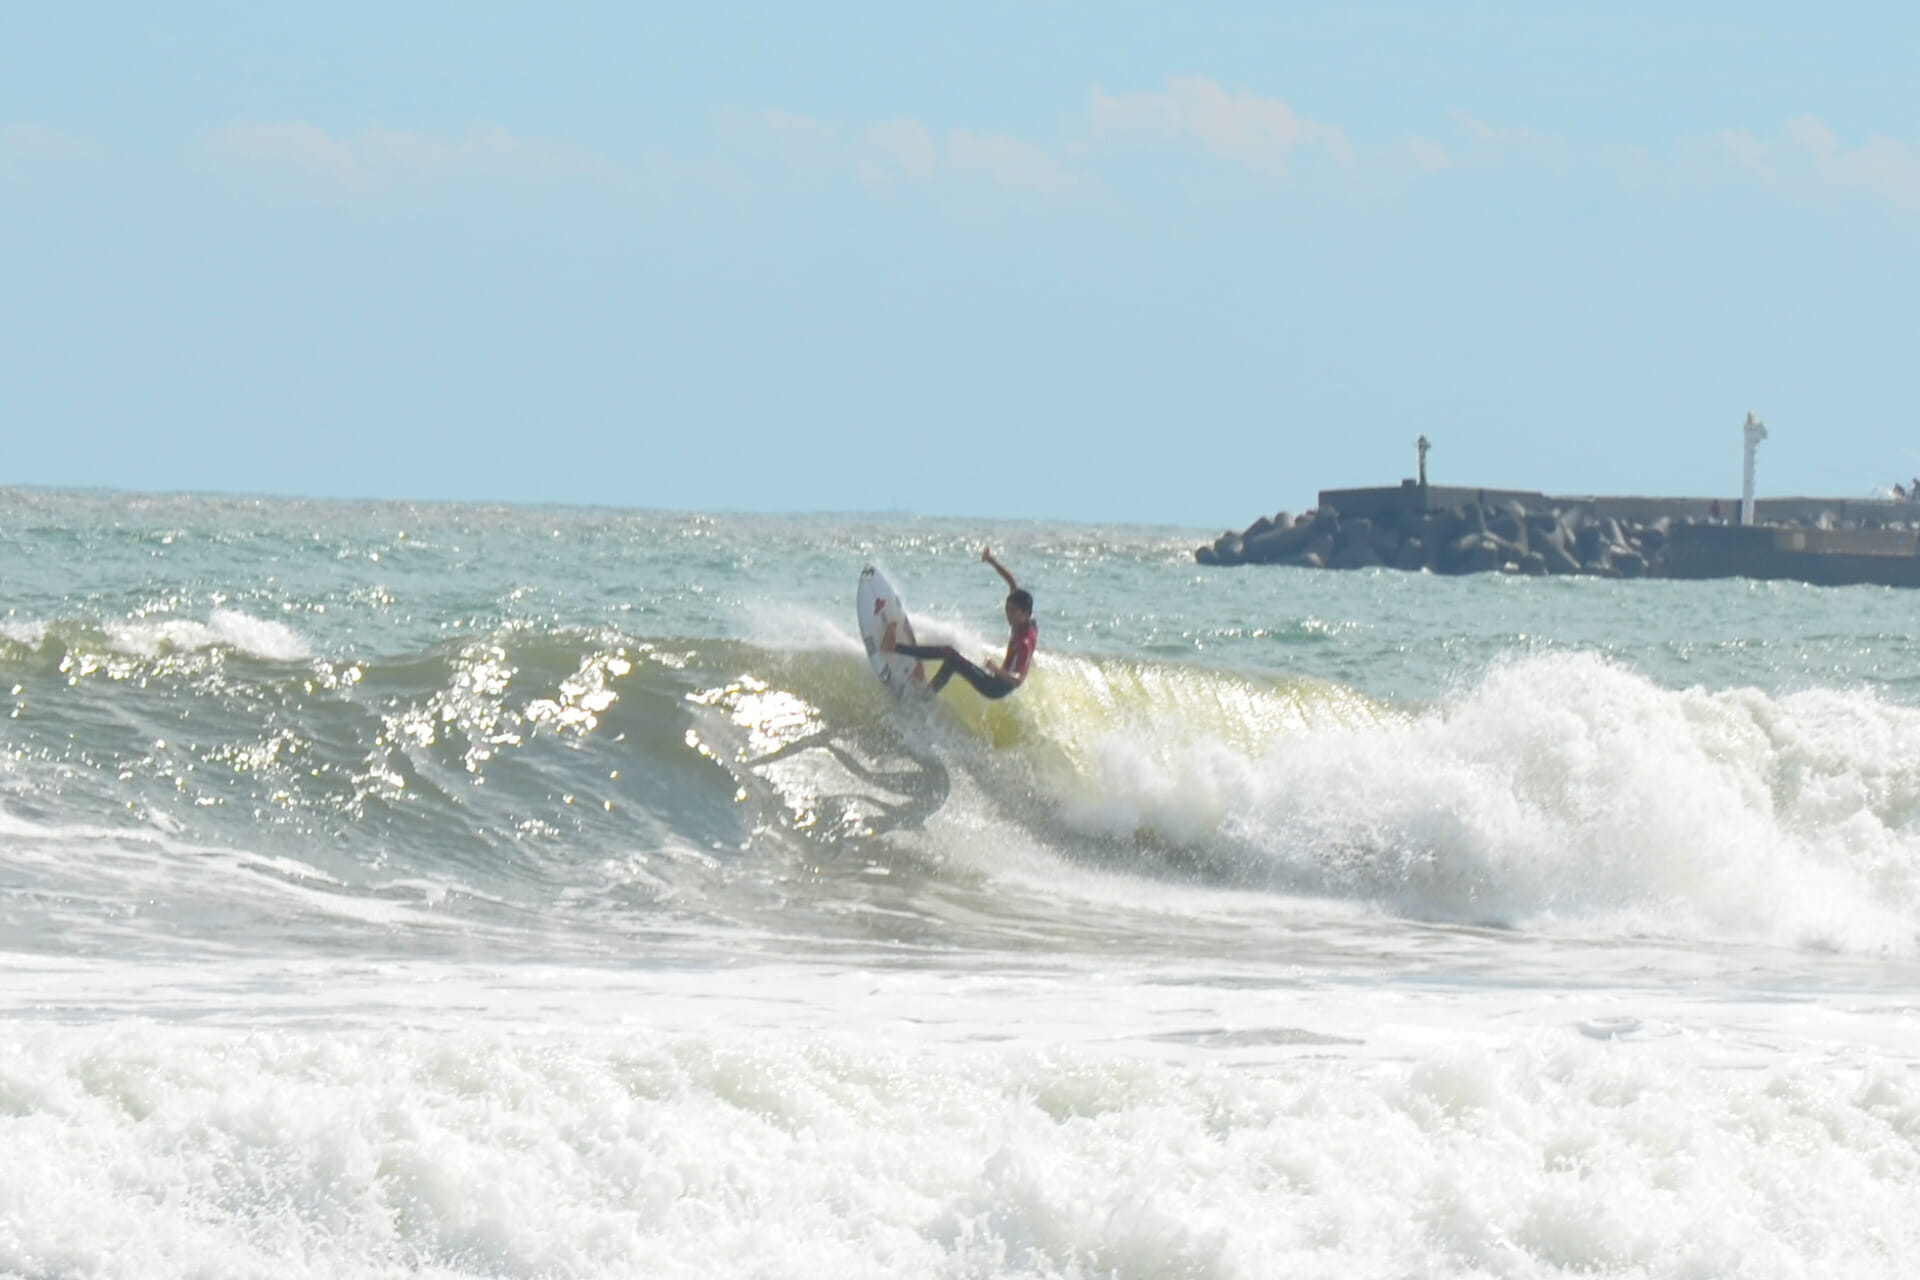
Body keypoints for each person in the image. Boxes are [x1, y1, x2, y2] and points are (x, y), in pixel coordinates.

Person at [883, 547, 1037, 700]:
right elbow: (1011, 582)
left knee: (948, 652)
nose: (1008, 615)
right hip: (997, 678)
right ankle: (925, 697)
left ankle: (893, 647)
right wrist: (992, 561)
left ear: (1025, 613)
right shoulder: (1025, 618)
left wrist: (995, 669)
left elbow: (1018, 680)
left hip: (995, 686)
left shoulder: (1024, 642)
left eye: (1013, 612)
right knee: (952, 662)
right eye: (1007, 609)